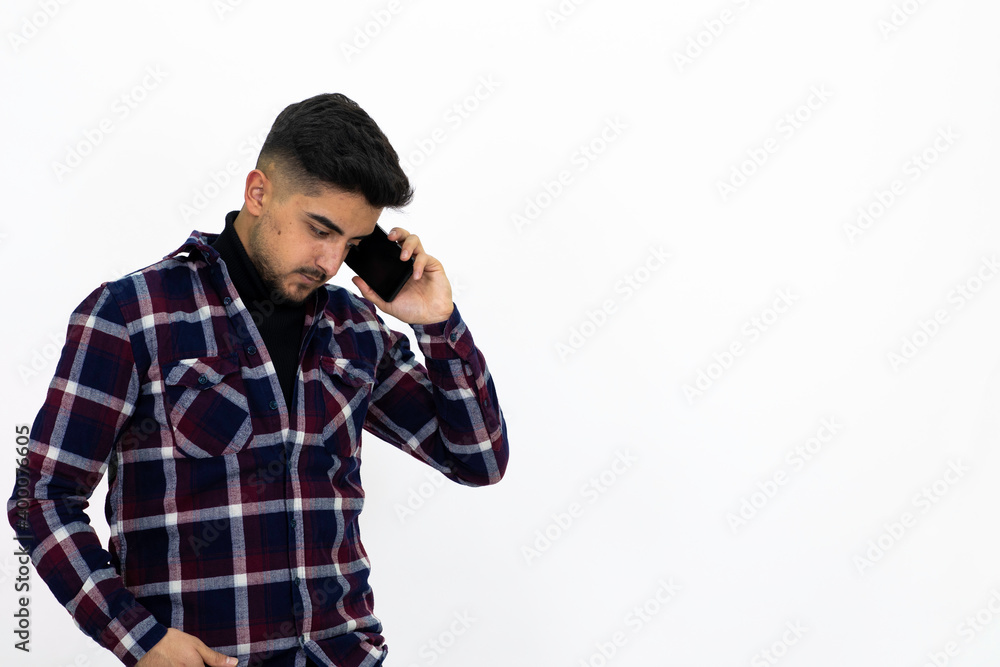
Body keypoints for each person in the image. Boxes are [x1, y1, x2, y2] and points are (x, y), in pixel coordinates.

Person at [8, 93, 509, 667]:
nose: (330, 262)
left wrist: (437, 324)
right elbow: (41, 498)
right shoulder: (132, 314)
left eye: (351, 244)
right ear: (258, 192)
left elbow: (478, 460)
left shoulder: (356, 329)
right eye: (319, 229)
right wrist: (139, 638)